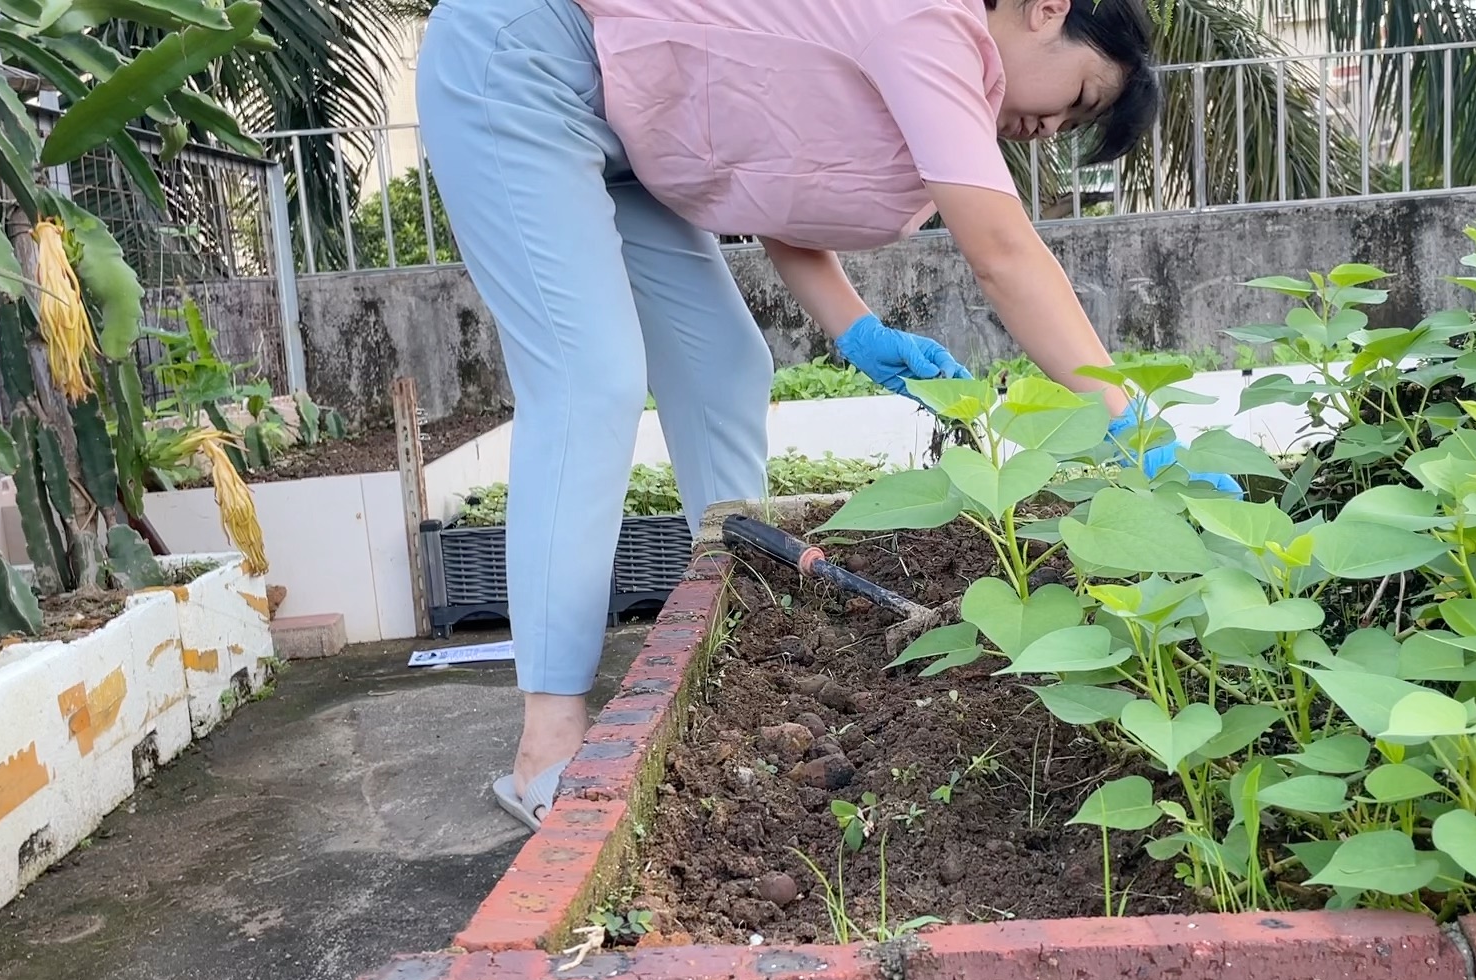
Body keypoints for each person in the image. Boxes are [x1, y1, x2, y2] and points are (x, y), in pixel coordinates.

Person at [417, 0, 1235, 831]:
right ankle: (545, 752)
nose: (1050, 127)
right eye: (1080, 96)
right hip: (525, 56)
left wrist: (857, 328)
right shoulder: (934, 23)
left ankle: (737, 626)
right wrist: (1134, 424)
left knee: (727, 368)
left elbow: (772, 182)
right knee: (589, 379)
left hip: (629, 122)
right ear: (1047, 8)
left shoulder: (917, 51)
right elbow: (1003, 253)